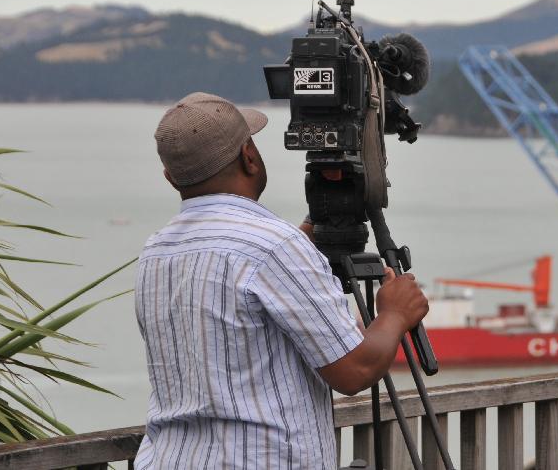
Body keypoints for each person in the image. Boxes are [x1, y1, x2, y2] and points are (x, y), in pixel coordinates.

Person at [134, 92, 429, 469]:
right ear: (249, 157)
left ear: (170, 177)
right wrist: (394, 313)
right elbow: (355, 371)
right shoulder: (275, 247)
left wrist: (301, 244)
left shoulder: (156, 251)